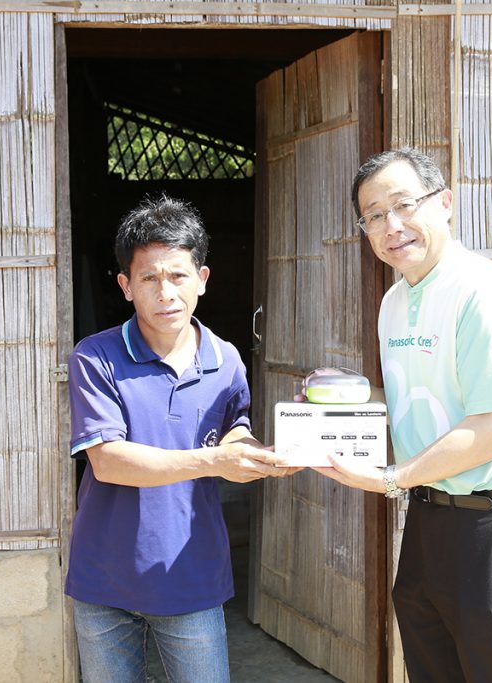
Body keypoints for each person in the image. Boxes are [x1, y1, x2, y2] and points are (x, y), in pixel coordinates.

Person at [309, 148, 492, 682]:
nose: (391, 226)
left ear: (444, 202)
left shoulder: (482, 292)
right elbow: (417, 400)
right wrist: (318, 422)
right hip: (428, 517)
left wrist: (389, 478)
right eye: (374, 215)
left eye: (404, 205)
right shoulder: (394, 302)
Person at [66, 195, 293, 683]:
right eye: (149, 278)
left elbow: (233, 429)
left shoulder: (225, 359)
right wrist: (214, 461)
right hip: (104, 578)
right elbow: (109, 462)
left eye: (178, 275)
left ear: (202, 279)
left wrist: (259, 455)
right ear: (126, 286)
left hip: (191, 575)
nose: (165, 292)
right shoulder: (96, 357)